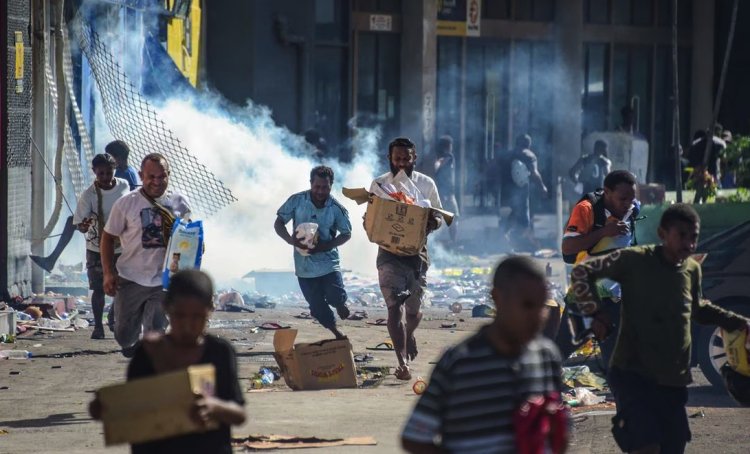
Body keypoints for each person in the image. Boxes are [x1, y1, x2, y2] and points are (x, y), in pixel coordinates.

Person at [570, 204, 750, 454]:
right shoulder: (635, 259)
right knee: (646, 444)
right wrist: (595, 315)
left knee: (673, 446)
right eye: (682, 236)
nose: (689, 244)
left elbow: (698, 308)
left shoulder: (691, 269)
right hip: (633, 375)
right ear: (663, 234)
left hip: (672, 379)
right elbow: (582, 272)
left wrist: (736, 321)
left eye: (694, 237)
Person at [402, 256, 569, 454]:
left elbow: (558, 427)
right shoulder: (460, 362)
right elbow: (414, 437)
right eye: (527, 305)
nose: (537, 316)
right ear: (497, 298)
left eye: (542, 306)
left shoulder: (546, 357)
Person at [88, 269, 246, 453]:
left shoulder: (219, 352)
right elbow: (130, 407)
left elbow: (239, 415)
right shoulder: (147, 354)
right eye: (180, 316)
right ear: (167, 308)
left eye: (197, 317)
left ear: (210, 310)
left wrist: (214, 407)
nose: (188, 325)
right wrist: (105, 408)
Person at [101, 153, 191, 357]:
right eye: (151, 177)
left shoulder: (178, 202)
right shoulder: (126, 204)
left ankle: (151, 367)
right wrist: (108, 273)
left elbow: (188, 237)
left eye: (162, 177)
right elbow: (107, 237)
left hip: (164, 280)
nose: (157, 182)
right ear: (141, 176)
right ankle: (125, 326)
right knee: (123, 335)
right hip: (131, 278)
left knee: (154, 330)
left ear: (169, 175)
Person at [371, 137, 443, 380]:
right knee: (394, 308)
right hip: (388, 254)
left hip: (417, 255)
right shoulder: (380, 184)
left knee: (413, 312)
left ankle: (409, 333)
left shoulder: (426, 184)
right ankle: (402, 363)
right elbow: (372, 218)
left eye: (406, 159)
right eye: (397, 159)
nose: (401, 164)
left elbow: (439, 217)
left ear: (414, 158)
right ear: (390, 158)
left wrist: (427, 222)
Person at [559, 170, 638, 361]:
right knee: (560, 351)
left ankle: (623, 391)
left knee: (617, 361)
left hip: (615, 299)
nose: (628, 203)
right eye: (623, 199)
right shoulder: (586, 209)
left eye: (632, 198)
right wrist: (604, 232)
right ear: (607, 192)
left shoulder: (633, 208)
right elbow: (567, 247)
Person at [274, 166, 352, 339]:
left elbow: (346, 233)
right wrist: (291, 240)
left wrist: (325, 246)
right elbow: (279, 222)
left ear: (331, 186)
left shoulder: (336, 208)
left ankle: (339, 304)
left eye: (325, 187)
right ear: (311, 184)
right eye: (317, 187)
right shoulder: (297, 201)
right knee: (316, 306)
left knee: (335, 295)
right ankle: (336, 333)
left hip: (328, 262)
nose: (320, 191)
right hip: (304, 266)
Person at [73, 153, 130, 339]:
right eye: (101, 174)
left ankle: (113, 316)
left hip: (122, 246)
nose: (105, 178)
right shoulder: (88, 195)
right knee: (98, 288)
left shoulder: (124, 185)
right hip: (96, 247)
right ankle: (98, 326)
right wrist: (84, 225)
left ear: (115, 171)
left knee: (123, 285)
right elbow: (80, 226)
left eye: (109, 173)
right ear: (94, 173)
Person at [503, 134, 548, 251]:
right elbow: (534, 172)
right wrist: (542, 186)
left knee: (515, 212)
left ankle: (504, 235)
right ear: (528, 144)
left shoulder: (509, 154)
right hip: (521, 189)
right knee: (524, 221)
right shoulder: (529, 155)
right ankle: (512, 240)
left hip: (507, 188)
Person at [434, 135, 459, 243]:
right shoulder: (449, 156)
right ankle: (453, 242)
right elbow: (440, 162)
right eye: (451, 145)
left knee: (443, 218)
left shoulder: (442, 156)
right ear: (448, 146)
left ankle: (435, 242)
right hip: (446, 193)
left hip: (445, 192)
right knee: (453, 217)